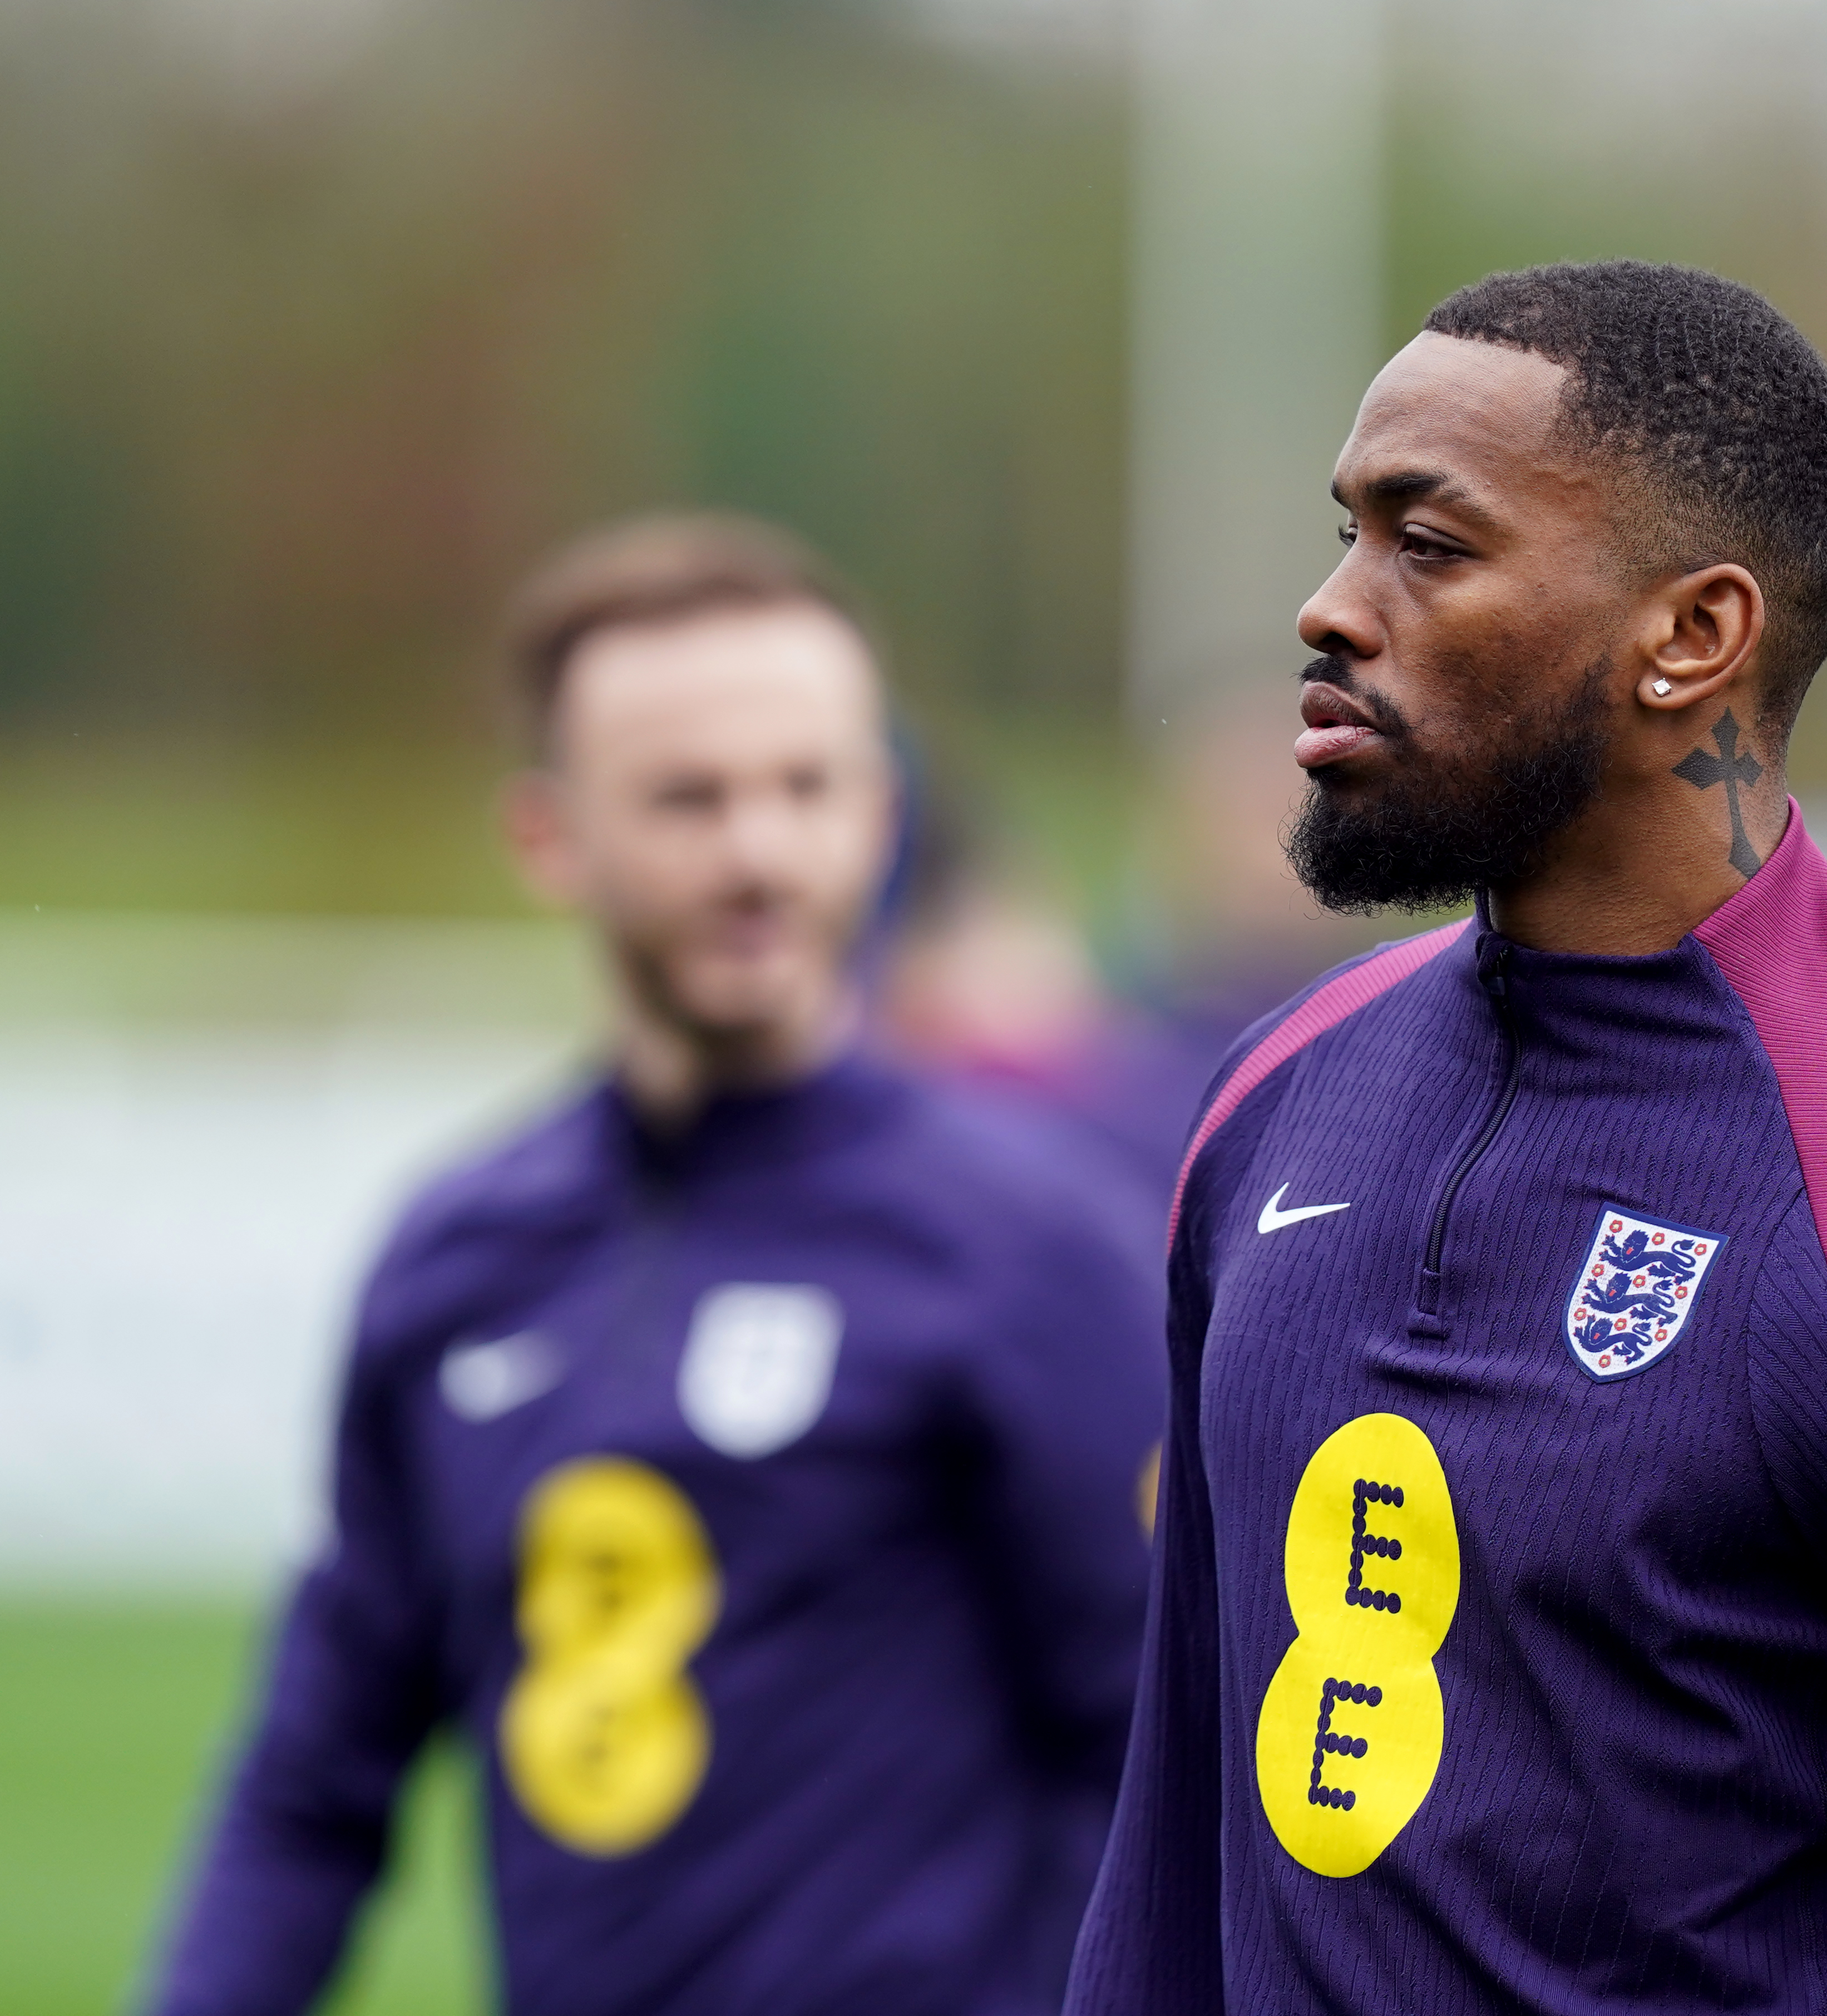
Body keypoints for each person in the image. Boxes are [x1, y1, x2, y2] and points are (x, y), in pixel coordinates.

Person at [1065, 261, 1827, 2016]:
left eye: (1427, 546)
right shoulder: (1275, 1103)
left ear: (1692, 638)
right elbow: (1167, 1875)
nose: (1331, 610)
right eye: (1350, 532)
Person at [147, 515, 1166, 2016]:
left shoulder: (1035, 1251)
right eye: (688, 799)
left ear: (879, 815)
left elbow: (1153, 1763)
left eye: (804, 787)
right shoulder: (458, 1256)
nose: (758, 851)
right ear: (548, 837)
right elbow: (315, 1782)